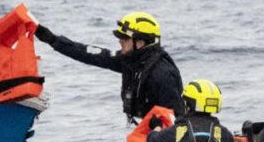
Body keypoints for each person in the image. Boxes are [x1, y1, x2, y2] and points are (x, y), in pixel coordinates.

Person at [37, 11, 182, 119]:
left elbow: (178, 119)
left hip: (164, 140)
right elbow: (91, 54)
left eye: (124, 38)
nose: (120, 41)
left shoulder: (162, 74)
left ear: (140, 42)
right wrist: (52, 40)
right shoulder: (132, 60)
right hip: (150, 133)